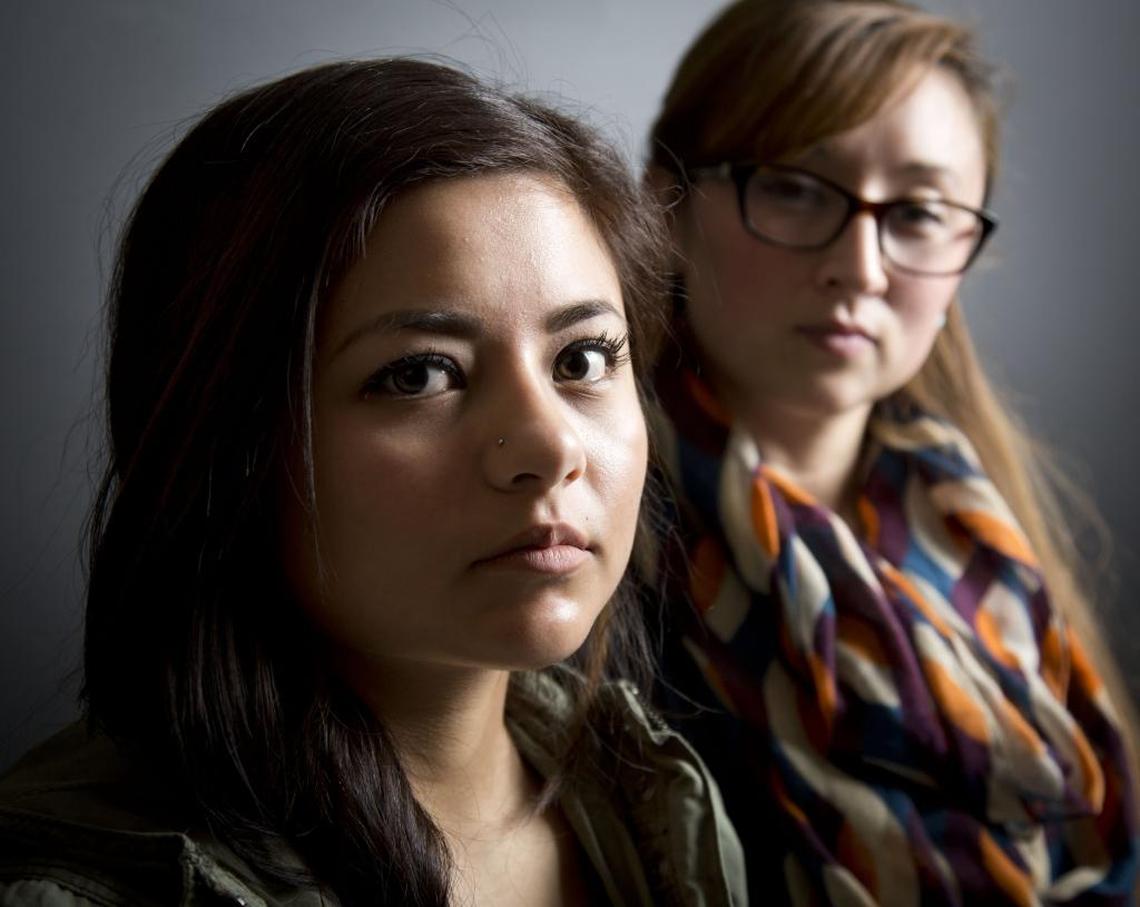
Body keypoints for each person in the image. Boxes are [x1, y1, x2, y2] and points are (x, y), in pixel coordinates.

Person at [0, 59, 747, 906]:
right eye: (421, 375)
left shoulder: (655, 801)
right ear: (229, 446)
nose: (548, 445)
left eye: (582, 359)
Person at [645, 1, 1138, 903]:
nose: (861, 268)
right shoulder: (584, 555)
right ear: (667, 203)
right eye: (795, 186)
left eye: (917, 212)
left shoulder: (988, 546)